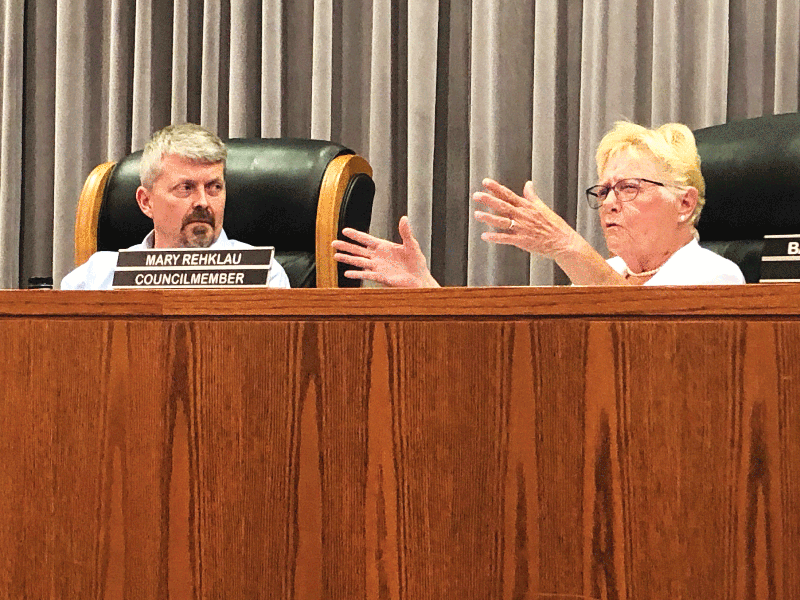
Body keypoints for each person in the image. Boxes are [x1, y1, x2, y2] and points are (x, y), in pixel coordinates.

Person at [331, 121, 745, 287]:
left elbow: (637, 336)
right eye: (603, 191)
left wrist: (566, 246)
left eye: (629, 188)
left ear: (684, 203)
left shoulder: (716, 275)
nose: (610, 204)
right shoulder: (611, 274)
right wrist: (427, 290)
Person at [61, 123, 290, 289]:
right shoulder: (97, 277)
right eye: (185, 188)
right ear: (146, 202)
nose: (202, 201)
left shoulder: (262, 275)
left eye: (214, 187)